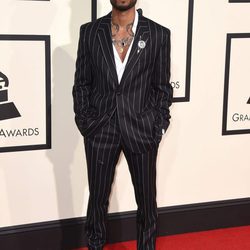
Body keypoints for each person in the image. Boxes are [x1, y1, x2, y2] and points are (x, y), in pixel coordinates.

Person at [72, 0, 173, 249]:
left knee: (147, 202)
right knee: (97, 200)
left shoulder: (158, 34)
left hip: (141, 129)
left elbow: (162, 87)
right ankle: (95, 245)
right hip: (100, 130)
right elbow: (82, 83)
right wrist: (86, 123)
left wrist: (157, 126)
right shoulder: (89, 32)